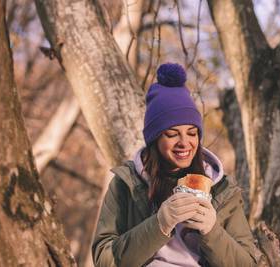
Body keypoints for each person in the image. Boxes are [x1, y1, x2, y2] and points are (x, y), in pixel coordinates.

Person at [92, 63, 258, 267]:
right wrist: (158, 224)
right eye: (172, 134)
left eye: (192, 132)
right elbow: (103, 260)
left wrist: (212, 231)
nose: (184, 142)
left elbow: (248, 264)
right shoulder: (127, 183)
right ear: (155, 139)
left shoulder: (223, 189)